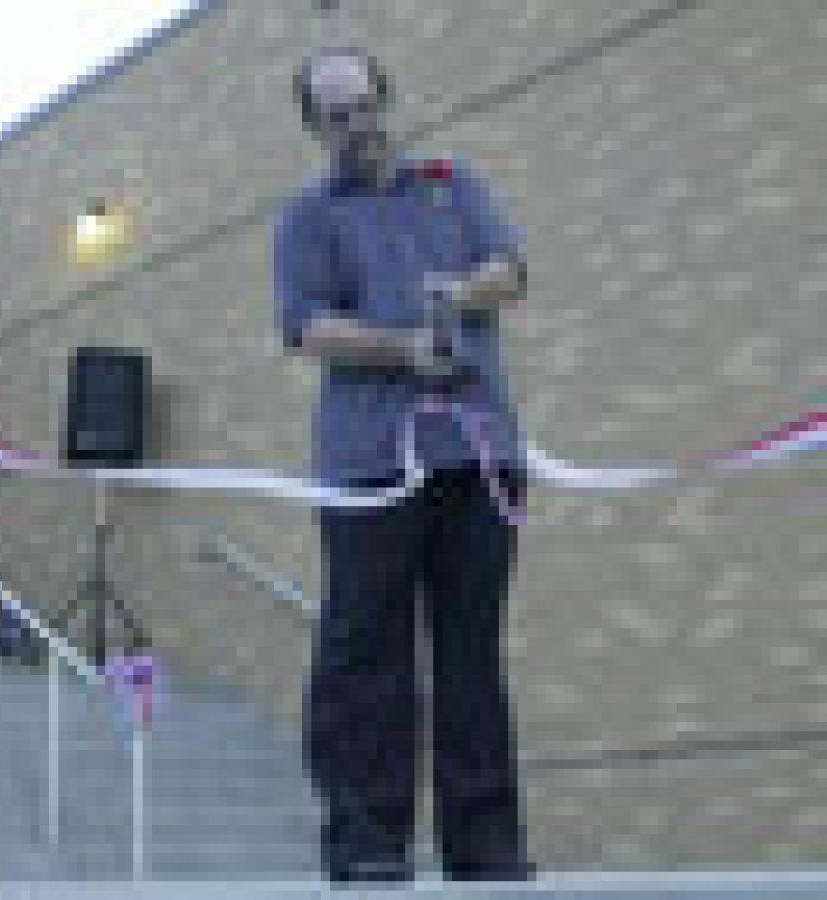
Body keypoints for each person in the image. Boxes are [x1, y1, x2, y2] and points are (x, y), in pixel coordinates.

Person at [274, 47, 536, 885]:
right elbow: (309, 328)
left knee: (471, 650)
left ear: (387, 98)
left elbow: (510, 271)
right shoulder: (308, 218)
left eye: (364, 105)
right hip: (370, 466)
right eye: (335, 115)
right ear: (315, 128)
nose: (357, 125)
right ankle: (368, 842)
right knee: (366, 655)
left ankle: (485, 845)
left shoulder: (456, 187)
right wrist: (402, 350)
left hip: (477, 454)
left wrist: (460, 296)